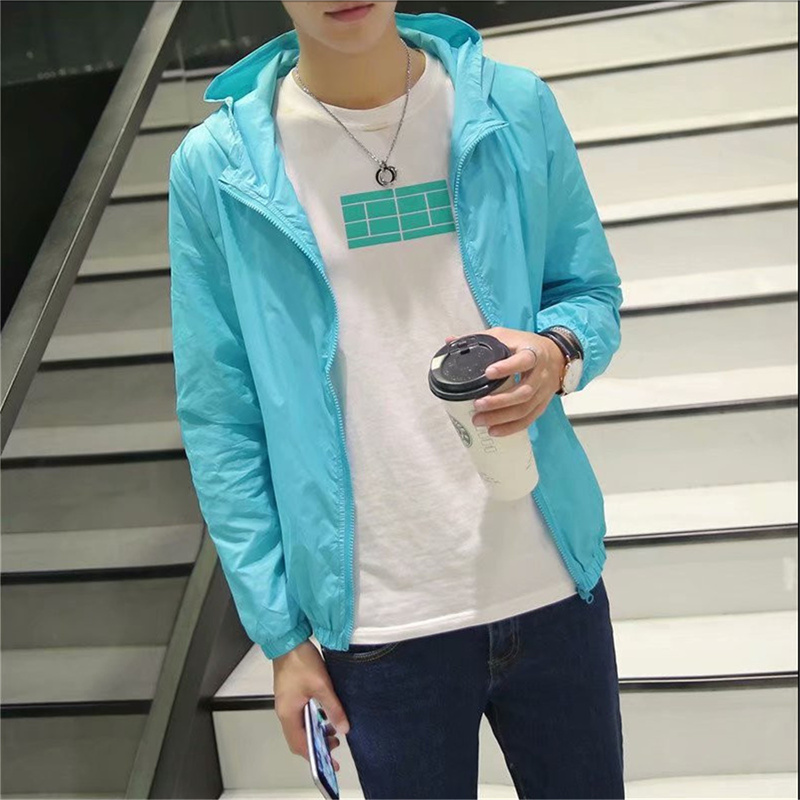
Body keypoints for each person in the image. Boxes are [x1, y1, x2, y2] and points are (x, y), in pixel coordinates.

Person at [168, 2, 625, 798]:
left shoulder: (513, 107)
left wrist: (558, 353)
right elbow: (222, 418)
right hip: (382, 623)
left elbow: (588, 293)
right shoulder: (218, 169)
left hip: (552, 584)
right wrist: (281, 637)